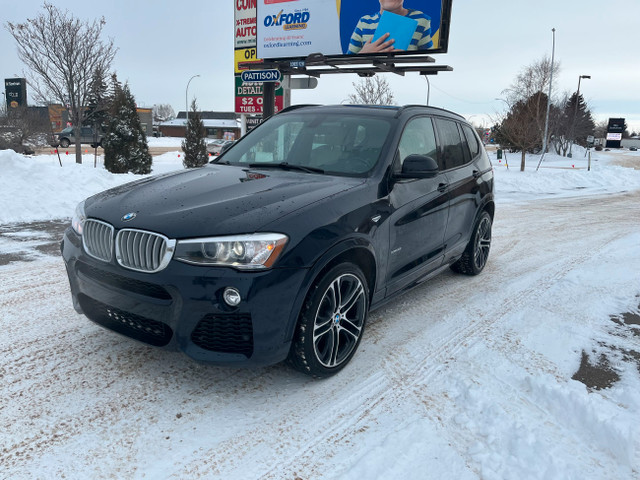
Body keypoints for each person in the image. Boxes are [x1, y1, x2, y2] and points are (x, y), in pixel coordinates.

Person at [347, 0, 433, 54]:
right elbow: (348, 63)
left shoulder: (421, 20)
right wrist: (364, 54)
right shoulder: (364, 22)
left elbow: (429, 59)